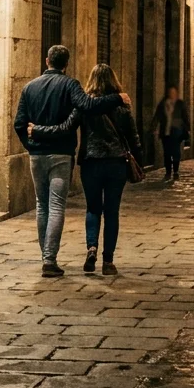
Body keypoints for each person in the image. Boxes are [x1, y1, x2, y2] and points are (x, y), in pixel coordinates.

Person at [13, 45, 128, 278]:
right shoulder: (70, 85)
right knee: (55, 205)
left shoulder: (29, 87)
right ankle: (49, 260)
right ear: (66, 64)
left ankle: (47, 257)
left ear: (47, 61)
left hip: (36, 156)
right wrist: (117, 97)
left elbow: (19, 124)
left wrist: (32, 145)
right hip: (61, 155)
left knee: (41, 204)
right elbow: (88, 105)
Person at [72, 63, 143, 276]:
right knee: (111, 212)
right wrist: (139, 160)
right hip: (116, 164)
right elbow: (133, 137)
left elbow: (70, 126)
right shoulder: (121, 105)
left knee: (93, 208)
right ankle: (108, 261)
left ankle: (91, 248)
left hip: (91, 163)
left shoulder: (84, 106)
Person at [152, 86, 189, 179]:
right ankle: (168, 172)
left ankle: (175, 171)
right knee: (167, 152)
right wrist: (153, 127)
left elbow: (185, 117)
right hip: (165, 132)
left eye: (174, 92)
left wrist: (187, 129)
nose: (172, 94)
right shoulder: (163, 104)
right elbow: (157, 116)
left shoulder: (180, 104)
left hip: (177, 132)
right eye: (170, 92)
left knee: (176, 152)